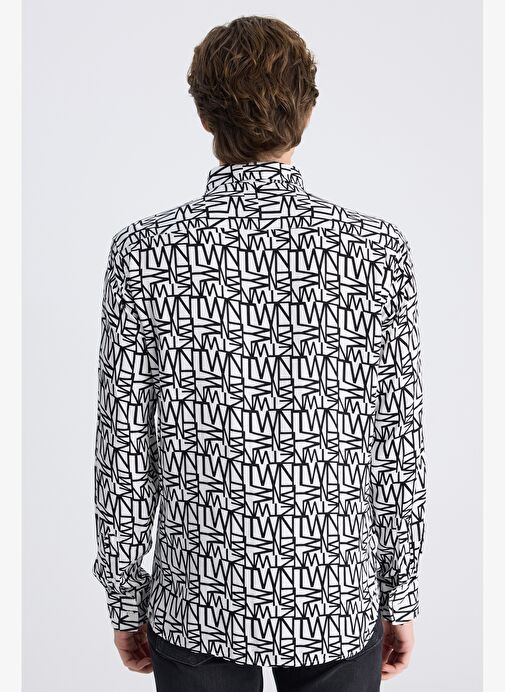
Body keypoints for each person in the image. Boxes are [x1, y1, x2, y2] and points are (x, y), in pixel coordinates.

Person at [92, 15, 426, 692]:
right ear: (307, 110)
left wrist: (126, 600)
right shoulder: (377, 253)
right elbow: (397, 445)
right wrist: (402, 594)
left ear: (203, 115)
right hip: (336, 597)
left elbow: (123, 448)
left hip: (195, 600)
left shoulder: (143, 253)